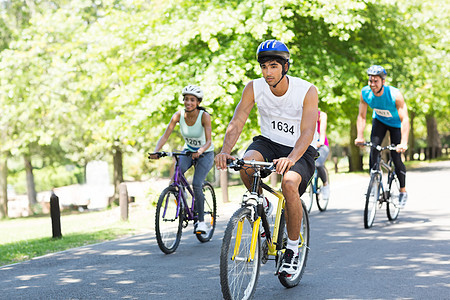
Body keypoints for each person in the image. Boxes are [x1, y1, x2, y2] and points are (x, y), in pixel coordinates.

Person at [215, 40, 318, 277]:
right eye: (264, 67)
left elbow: (307, 132)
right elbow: (237, 121)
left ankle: (292, 249)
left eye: (273, 66)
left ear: (285, 66)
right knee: (246, 164)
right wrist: (224, 150)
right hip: (269, 142)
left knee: (289, 183)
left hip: (298, 148)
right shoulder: (253, 87)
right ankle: (263, 204)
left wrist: (291, 158)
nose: (268, 72)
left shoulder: (306, 90)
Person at [149, 85, 214, 234]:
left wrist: (201, 150)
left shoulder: (204, 116)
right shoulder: (178, 116)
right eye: (186, 99)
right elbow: (165, 136)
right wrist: (156, 151)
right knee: (175, 179)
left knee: (197, 184)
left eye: (192, 100)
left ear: (198, 102)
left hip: (205, 153)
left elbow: (209, 141)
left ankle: (202, 222)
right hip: (188, 151)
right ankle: (182, 196)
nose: (188, 102)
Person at [354, 65, 409, 208]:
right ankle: (375, 184)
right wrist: (360, 136)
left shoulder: (395, 95)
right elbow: (361, 116)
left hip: (396, 124)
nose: (372, 84)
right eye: (370, 81)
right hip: (379, 121)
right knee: (373, 149)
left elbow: (405, 120)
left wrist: (403, 143)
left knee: (396, 156)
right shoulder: (365, 93)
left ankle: (402, 191)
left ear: (383, 82)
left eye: (375, 81)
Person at [316, 110, 330, 200]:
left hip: (322, 146)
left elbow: (322, 131)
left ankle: (325, 185)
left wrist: (320, 141)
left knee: (318, 164)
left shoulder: (322, 115)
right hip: (308, 146)